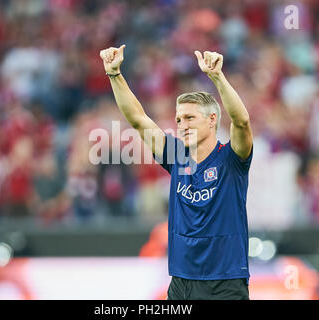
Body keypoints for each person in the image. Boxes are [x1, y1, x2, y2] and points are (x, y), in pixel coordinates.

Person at [100, 44, 253, 300]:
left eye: (190, 118)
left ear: (212, 119)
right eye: (179, 119)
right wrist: (114, 74)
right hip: (182, 282)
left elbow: (242, 121)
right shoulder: (176, 156)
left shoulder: (232, 159)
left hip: (225, 282)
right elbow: (138, 119)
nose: (182, 124)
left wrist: (217, 77)